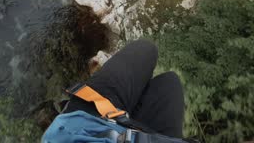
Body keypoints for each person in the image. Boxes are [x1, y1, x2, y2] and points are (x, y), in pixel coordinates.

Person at [42, 39, 186, 143]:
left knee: (146, 50)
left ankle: (128, 116)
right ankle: (129, 116)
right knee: (169, 82)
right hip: (144, 134)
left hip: (84, 125)